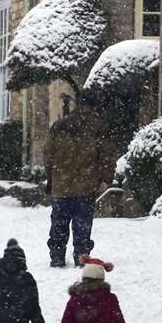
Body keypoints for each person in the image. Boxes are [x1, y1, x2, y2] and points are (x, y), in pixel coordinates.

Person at [44, 93, 117, 268]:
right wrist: (105, 179)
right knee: (82, 224)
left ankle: (57, 255)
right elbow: (107, 156)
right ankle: (81, 255)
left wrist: (52, 176)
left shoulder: (60, 126)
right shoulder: (99, 127)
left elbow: (48, 154)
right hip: (86, 185)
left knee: (59, 222)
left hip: (61, 185)